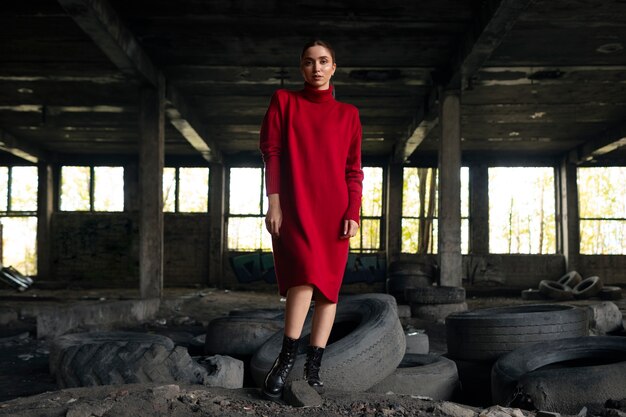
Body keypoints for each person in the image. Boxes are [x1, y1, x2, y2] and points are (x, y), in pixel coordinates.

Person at [259, 39, 364, 401]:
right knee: (303, 276)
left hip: (335, 210)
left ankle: (313, 369)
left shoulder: (349, 114)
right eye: (308, 62)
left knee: (328, 289)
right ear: (301, 68)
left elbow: (354, 170)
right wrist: (274, 202)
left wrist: (354, 211)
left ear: (334, 67)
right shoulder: (284, 102)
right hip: (296, 204)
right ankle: (285, 360)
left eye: (323, 61)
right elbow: (271, 153)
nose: (316, 68)